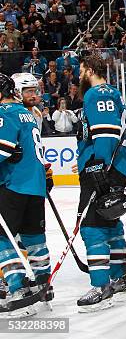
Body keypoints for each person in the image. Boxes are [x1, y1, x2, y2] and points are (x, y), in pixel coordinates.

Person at [75, 55, 126, 312]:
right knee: (110, 221)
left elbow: (106, 133)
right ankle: (120, 277)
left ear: (89, 70)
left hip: (105, 167)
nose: (78, 75)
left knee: (91, 226)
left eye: (80, 70)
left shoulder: (96, 94)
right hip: (114, 164)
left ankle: (101, 285)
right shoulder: (113, 93)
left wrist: (98, 164)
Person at [0, 73, 50, 318]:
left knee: (3, 239)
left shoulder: (5, 113)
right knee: (34, 238)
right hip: (35, 186)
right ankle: (43, 286)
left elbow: (4, 149)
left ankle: (18, 289)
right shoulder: (28, 114)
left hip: (14, 185)